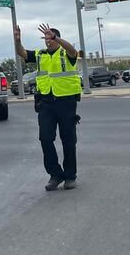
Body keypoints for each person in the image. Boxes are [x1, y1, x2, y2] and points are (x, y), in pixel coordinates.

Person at [14, 23, 83, 191]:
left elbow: (73, 50)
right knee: (45, 138)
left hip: (66, 101)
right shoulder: (40, 55)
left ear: (56, 38)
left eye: (50, 38)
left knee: (68, 140)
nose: (47, 41)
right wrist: (18, 40)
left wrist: (56, 37)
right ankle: (55, 174)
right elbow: (21, 52)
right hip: (46, 102)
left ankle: (70, 176)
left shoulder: (66, 53)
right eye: (45, 39)